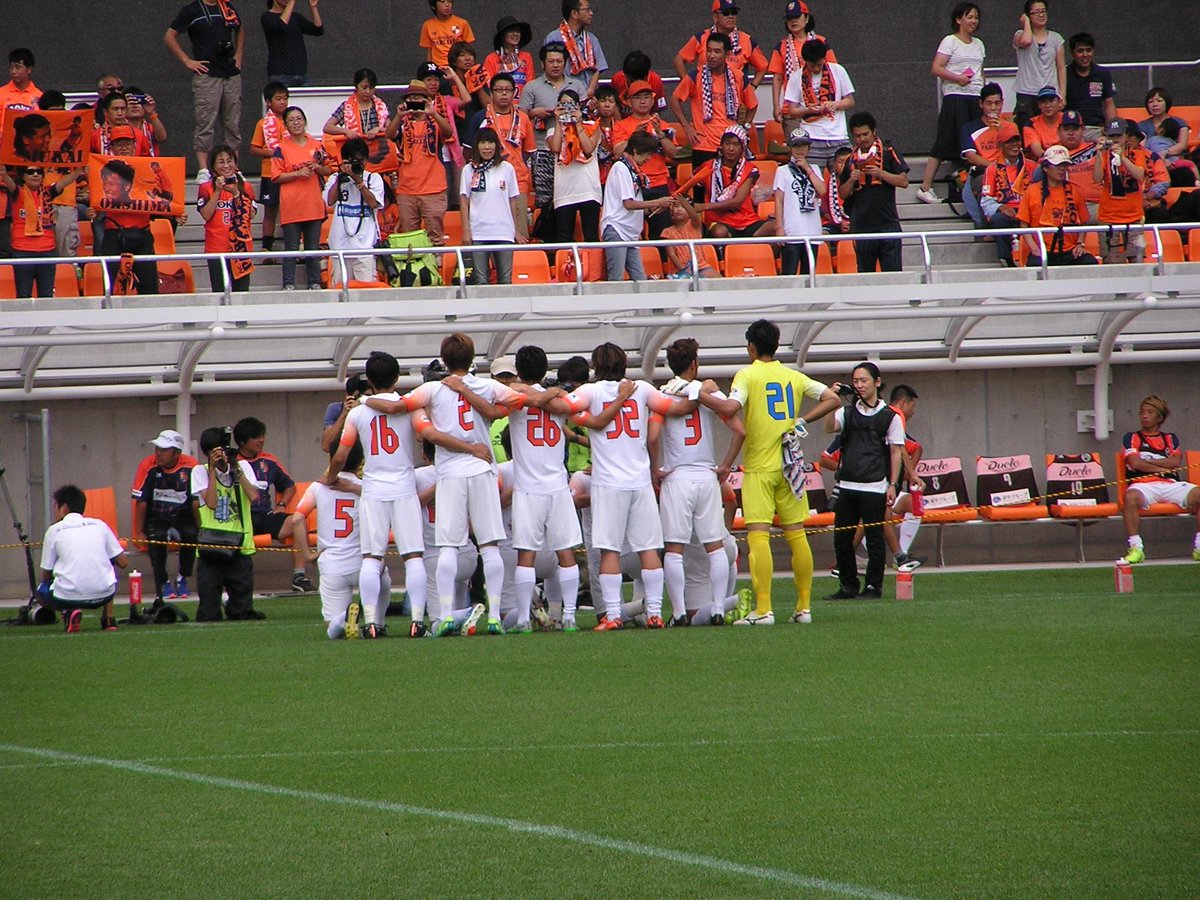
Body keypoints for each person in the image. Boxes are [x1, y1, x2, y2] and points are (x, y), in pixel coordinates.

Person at [366, 334, 526, 635]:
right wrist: (484, 405)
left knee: (448, 547)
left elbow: (396, 408)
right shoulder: (488, 386)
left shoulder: (432, 389)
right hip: (482, 469)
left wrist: (366, 400)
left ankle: (445, 614)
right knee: (490, 545)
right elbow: (516, 402)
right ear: (472, 357)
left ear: (444, 358)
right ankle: (494, 616)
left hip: (450, 473)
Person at [324, 350, 483, 638]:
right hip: (404, 488)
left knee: (371, 558)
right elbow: (426, 435)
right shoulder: (411, 407)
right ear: (397, 377)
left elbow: (340, 455)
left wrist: (331, 477)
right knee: (413, 557)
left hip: (373, 489)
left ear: (369, 380)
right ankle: (418, 622)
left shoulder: (358, 413)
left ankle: (372, 622)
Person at [702, 319, 840, 624]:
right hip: (790, 465)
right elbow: (832, 399)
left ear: (751, 347)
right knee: (797, 534)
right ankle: (803, 608)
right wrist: (802, 421)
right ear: (776, 345)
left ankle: (764, 609)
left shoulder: (748, 374)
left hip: (760, 467)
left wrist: (701, 393)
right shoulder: (792, 376)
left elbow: (730, 408)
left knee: (758, 537)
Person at [560, 343, 697, 629]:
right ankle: (655, 612)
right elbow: (679, 407)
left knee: (609, 550)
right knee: (648, 549)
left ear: (596, 366)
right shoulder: (642, 389)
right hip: (640, 480)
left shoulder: (591, 392)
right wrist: (699, 390)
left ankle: (612, 616)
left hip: (608, 482)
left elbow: (565, 407)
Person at [648, 338, 745, 624]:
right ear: (694, 363)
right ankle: (718, 608)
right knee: (714, 546)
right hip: (706, 475)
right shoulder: (707, 392)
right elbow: (740, 431)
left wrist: (655, 469)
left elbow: (652, 438)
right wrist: (725, 465)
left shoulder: (662, 395)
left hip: (676, 477)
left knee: (674, 550)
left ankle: (679, 613)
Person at [822, 362, 904, 600]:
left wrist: (893, 484)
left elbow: (896, 452)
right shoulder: (846, 412)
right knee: (842, 539)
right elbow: (829, 427)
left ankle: (873, 586)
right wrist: (830, 401)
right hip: (847, 485)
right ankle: (848, 585)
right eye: (856, 381)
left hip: (875, 485)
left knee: (875, 539)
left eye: (864, 380)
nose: (859, 385)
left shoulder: (890, 417)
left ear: (877, 382)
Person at [290, 445, 379, 639]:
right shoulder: (367, 488)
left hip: (331, 563)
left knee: (332, 630)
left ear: (331, 458)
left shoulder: (318, 487)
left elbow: (297, 519)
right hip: (363, 562)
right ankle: (376, 624)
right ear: (361, 461)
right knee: (384, 578)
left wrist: (307, 555)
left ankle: (342, 620)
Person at [164, 0, 244, 184]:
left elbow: (240, 28)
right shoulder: (191, 10)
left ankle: (234, 168)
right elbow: (169, 36)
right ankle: (203, 169)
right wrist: (187, 60)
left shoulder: (226, 6)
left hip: (230, 73)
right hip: (207, 74)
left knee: (233, 123)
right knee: (205, 122)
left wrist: (239, 54)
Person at [191, 426, 264, 622]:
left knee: (242, 612)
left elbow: (254, 496)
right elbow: (212, 503)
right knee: (208, 614)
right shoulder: (200, 471)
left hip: (240, 544)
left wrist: (235, 468)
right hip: (211, 545)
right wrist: (212, 470)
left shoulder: (242, 466)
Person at [232, 415, 313, 592]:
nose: (261, 440)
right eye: (256, 437)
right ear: (242, 441)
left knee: (298, 521)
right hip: (239, 519)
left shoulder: (268, 460)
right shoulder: (231, 462)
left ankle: (299, 576)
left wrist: (281, 504)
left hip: (265, 515)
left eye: (262, 436)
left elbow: (289, 486)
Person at [916, 2, 984, 205]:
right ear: (958, 19)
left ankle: (971, 188)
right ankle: (925, 187)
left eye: (976, 17)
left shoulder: (979, 44)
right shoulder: (950, 41)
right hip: (955, 97)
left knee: (974, 143)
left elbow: (981, 72)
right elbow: (936, 67)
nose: (973, 21)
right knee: (945, 140)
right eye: (969, 17)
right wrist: (957, 78)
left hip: (975, 97)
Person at [36, 485, 128, 633]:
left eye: (55, 506)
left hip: (68, 595)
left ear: (64, 508)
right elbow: (123, 562)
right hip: (104, 594)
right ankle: (108, 619)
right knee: (109, 562)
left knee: (42, 590)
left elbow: (46, 574)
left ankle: (68, 611)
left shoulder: (54, 531)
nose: (54, 511)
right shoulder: (100, 525)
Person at [1120, 395, 1200, 565]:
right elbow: (1135, 463)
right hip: (1143, 486)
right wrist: (1163, 468)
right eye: (1142, 412)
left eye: (1150, 412)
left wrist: (1147, 462)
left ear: (1160, 417)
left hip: (1171, 485)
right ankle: (1136, 549)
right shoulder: (1132, 437)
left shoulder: (1170, 438)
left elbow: (1175, 462)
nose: (1144, 416)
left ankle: (1199, 547)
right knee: (1130, 497)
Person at [669, 32, 757, 171]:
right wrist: (687, 128)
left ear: (727, 54)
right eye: (709, 50)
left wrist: (744, 128)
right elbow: (674, 100)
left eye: (717, 51)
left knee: (731, 184)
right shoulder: (696, 75)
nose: (711, 55)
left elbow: (752, 105)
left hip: (729, 146)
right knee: (702, 184)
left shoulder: (738, 77)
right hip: (703, 145)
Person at [465, 73, 536, 242]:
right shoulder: (480, 118)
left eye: (508, 90)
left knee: (519, 234)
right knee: (491, 233)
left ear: (514, 92)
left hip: (517, 181)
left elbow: (528, 151)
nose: (504, 94)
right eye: (499, 90)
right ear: (491, 92)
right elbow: (468, 152)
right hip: (487, 183)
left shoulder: (523, 118)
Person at [132, 430, 199, 605]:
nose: (159, 453)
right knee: (157, 538)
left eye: (164, 449)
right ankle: (163, 582)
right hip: (157, 516)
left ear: (177, 453)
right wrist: (139, 531)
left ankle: (183, 577)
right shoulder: (148, 465)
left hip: (183, 515)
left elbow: (196, 501)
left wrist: (202, 528)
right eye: (157, 448)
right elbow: (141, 501)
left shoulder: (191, 465)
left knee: (191, 534)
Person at [673, 124, 771, 242]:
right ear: (721, 146)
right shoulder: (708, 166)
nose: (731, 148)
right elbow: (688, 185)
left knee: (774, 227)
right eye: (727, 143)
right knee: (719, 232)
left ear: (742, 148)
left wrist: (704, 206)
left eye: (735, 144)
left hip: (747, 220)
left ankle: (759, 250)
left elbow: (737, 202)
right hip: (719, 221)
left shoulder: (750, 169)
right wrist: (682, 197)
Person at [840, 111, 910, 272]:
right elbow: (842, 194)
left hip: (888, 223)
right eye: (857, 136)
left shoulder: (888, 151)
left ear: (874, 132)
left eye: (865, 134)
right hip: (862, 226)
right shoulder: (849, 159)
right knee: (866, 275)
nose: (862, 139)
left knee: (893, 275)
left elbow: (904, 181)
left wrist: (881, 173)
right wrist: (851, 179)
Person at [387, 79, 452, 246]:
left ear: (426, 100)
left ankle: (436, 262)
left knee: (435, 236)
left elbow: (449, 132)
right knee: (410, 237)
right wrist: (398, 116)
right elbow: (389, 135)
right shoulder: (403, 123)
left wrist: (433, 113)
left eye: (418, 98)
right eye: (410, 98)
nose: (414, 102)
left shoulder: (434, 122)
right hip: (407, 189)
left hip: (433, 188)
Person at [601, 129, 672, 282]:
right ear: (635, 150)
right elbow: (628, 204)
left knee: (640, 279)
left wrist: (653, 209)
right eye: (646, 153)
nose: (648, 158)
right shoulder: (621, 168)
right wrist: (657, 202)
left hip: (631, 234)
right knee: (616, 278)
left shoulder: (633, 171)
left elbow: (635, 206)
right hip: (617, 230)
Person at [1093, 119, 1166, 264]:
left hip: (1134, 217)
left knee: (1136, 260)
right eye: (1112, 136)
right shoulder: (1104, 155)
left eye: (1119, 135)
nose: (1115, 139)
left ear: (1126, 136)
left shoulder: (1137, 154)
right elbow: (1097, 178)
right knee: (1112, 262)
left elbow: (1139, 175)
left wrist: (1122, 158)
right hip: (1109, 217)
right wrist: (1099, 154)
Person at [0, 165, 80, 297]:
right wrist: (4, 175)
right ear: (23, 176)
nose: (35, 175)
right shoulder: (18, 193)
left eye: (39, 172)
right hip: (22, 251)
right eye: (30, 172)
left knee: (46, 296)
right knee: (23, 296)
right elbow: (10, 184)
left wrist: (78, 172)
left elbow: (63, 183)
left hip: (47, 251)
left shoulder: (48, 193)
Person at [611, 80, 677, 240]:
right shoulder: (621, 125)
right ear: (629, 101)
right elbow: (617, 153)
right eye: (637, 97)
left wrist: (660, 133)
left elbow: (673, 153)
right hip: (633, 185)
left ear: (653, 100)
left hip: (659, 183)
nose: (642, 101)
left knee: (662, 234)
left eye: (647, 97)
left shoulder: (663, 124)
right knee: (632, 232)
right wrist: (633, 135)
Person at [274, 105, 330, 290]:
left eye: (299, 119)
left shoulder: (316, 144)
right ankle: (288, 284)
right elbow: (276, 176)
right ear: (285, 125)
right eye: (291, 120)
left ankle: (314, 282)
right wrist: (298, 173)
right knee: (291, 247)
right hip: (291, 204)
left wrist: (317, 168)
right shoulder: (281, 148)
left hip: (313, 203)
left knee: (312, 247)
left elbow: (328, 169)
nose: (296, 123)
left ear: (305, 121)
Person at [779, 38, 854, 173]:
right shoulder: (796, 77)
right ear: (805, 61)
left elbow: (850, 101)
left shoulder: (838, 71)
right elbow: (792, 111)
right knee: (812, 178)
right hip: (812, 137)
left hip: (838, 136)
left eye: (819, 64)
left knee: (845, 176)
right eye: (812, 65)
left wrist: (835, 104)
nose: (816, 68)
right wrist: (808, 110)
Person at [459, 126, 521, 284]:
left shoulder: (507, 168)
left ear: (496, 145)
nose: (487, 147)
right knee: (481, 280)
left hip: (504, 232)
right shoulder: (468, 170)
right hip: (479, 232)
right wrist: (466, 231)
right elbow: (464, 201)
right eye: (482, 143)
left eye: (490, 142)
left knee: (505, 279)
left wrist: (516, 230)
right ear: (476, 146)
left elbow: (512, 200)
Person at [1017, 144, 1095, 267]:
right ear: (1045, 168)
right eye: (1058, 165)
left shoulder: (1074, 190)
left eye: (1065, 165)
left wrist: (1080, 244)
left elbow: (1083, 222)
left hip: (1070, 251)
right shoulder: (1032, 191)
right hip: (1043, 250)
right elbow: (1024, 225)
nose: (1062, 169)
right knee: (1035, 266)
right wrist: (1034, 248)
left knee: (1089, 262)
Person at [769, 0, 837, 135]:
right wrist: (776, 105)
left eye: (797, 17)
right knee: (797, 145)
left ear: (806, 19)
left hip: (820, 107)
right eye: (790, 18)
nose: (793, 21)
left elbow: (834, 71)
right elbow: (777, 78)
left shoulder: (821, 42)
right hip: (793, 110)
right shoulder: (781, 46)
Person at [197, 144, 257, 292]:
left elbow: (251, 214)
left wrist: (236, 193)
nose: (226, 165)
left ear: (235, 163)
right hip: (216, 247)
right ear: (213, 166)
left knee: (241, 293)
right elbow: (206, 215)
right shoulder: (205, 187)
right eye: (221, 162)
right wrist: (217, 192)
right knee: (219, 292)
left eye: (229, 161)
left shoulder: (246, 186)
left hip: (240, 248)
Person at [96, 157, 160, 295]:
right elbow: (94, 213)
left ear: (126, 186)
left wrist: (176, 215)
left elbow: (166, 207)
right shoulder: (99, 197)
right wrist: (92, 213)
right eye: (104, 183)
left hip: (142, 236)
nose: (107, 188)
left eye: (112, 184)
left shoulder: (146, 188)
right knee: (112, 287)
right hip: (112, 237)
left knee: (149, 289)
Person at [325, 136, 384, 283]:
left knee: (365, 290)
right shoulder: (336, 178)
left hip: (365, 247)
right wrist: (341, 178)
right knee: (340, 289)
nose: (356, 164)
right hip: (340, 246)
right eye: (352, 161)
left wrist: (358, 181)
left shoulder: (373, 178)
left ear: (366, 160)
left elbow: (373, 203)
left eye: (359, 160)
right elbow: (329, 201)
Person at [547, 89, 602, 244]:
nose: (568, 108)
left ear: (578, 106)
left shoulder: (592, 126)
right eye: (563, 104)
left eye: (571, 105)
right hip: (564, 191)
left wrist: (578, 123)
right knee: (564, 237)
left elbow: (588, 148)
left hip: (588, 189)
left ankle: (593, 262)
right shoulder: (553, 130)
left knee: (591, 236)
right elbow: (556, 148)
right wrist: (558, 121)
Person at [673, 0, 769, 88]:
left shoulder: (747, 40)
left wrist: (752, 87)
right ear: (715, 17)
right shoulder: (702, 37)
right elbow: (678, 60)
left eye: (734, 12)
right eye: (726, 13)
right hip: (705, 95)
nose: (731, 16)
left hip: (736, 97)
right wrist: (689, 85)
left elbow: (763, 66)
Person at [772, 127, 825, 275]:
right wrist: (779, 228)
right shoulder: (782, 171)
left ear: (809, 147)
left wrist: (807, 169)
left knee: (809, 274)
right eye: (796, 145)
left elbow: (822, 190)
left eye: (803, 145)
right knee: (789, 273)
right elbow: (779, 201)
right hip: (792, 230)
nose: (799, 149)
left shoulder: (815, 169)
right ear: (790, 148)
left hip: (813, 231)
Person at [980, 123, 1035, 266]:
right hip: (1007, 213)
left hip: (1030, 211)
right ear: (1000, 145)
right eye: (1009, 141)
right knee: (998, 219)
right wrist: (1001, 207)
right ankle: (1007, 260)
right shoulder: (992, 169)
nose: (1014, 144)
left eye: (1016, 140)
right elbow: (985, 201)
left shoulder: (1032, 166)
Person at [518, 42, 587, 151]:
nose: (555, 65)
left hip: (573, 146)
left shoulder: (576, 85)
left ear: (565, 63)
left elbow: (585, 113)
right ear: (543, 64)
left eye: (559, 61)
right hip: (542, 146)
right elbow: (520, 118)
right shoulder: (532, 86)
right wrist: (533, 113)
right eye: (551, 61)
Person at [959, 83, 1009, 227]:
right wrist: (994, 167)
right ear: (981, 104)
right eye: (989, 103)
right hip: (983, 171)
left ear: (1002, 103)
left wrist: (1002, 131)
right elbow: (971, 156)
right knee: (984, 182)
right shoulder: (970, 128)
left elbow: (1016, 151)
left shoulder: (1010, 126)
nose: (993, 108)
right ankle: (986, 228)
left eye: (997, 103)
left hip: (1009, 170)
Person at [1011, 0, 1065, 130]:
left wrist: (1062, 94)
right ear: (1028, 15)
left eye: (1043, 11)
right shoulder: (1019, 35)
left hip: (1050, 93)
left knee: (1050, 131)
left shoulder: (1056, 38)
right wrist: (1026, 23)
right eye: (1036, 12)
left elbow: (1061, 68)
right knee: (1026, 130)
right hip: (1027, 93)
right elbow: (1027, 41)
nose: (1041, 15)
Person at [250, 81, 289, 258]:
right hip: (270, 173)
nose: (283, 102)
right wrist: (273, 152)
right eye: (278, 98)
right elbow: (254, 149)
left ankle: (294, 247)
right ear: (268, 102)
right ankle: (267, 248)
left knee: (291, 210)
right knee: (270, 211)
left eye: (285, 98)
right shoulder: (262, 123)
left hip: (289, 172)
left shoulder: (292, 120)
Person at [544, 0, 607, 99]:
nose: (591, 13)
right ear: (574, 13)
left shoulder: (592, 39)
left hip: (588, 96)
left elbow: (598, 69)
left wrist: (590, 91)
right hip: (561, 96)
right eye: (587, 9)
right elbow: (549, 69)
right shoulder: (554, 37)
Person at [1064, 33, 1116, 143]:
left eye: (1088, 50)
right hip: (1072, 129)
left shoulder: (1103, 73)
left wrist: (1112, 129)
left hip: (1097, 129)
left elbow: (1109, 104)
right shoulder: (1064, 74)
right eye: (1080, 51)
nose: (1085, 55)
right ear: (1072, 53)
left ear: (1093, 51)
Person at [261, 0, 323, 87]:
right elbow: (281, 26)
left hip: (301, 73)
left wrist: (313, 8)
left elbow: (318, 30)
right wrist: (292, 2)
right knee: (281, 95)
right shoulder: (267, 17)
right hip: (280, 74)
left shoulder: (295, 17)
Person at [661, 196, 718, 278]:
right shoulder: (667, 232)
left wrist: (686, 204)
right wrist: (684, 270)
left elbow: (694, 216)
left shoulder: (694, 225)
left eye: (683, 207)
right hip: (679, 269)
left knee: (718, 280)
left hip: (701, 266)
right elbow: (671, 254)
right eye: (676, 206)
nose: (679, 209)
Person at [483, 16, 535, 102]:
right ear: (502, 35)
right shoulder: (491, 59)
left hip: (523, 107)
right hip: (500, 106)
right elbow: (489, 87)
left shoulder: (526, 57)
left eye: (517, 31)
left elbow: (530, 85)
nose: (516, 34)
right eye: (511, 31)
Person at [420, 0, 475, 68]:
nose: (447, 5)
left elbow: (469, 49)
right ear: (433, 6)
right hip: (438, 67)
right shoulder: (427, 25)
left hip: (457, 66)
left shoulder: (462, 23)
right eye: (442, 1)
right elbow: (429, 50)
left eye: (449, 1)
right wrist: (430, 67)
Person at [124, 87, 168, 157]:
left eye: (139, 102)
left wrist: (151, 113)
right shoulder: (118, 127)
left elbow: (162, 138)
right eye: (131, 102)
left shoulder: (150, 128)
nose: (135, 106)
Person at [1023, 85, 1063, 160]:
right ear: (1039, 105)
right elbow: (1038, 152)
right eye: (1043, 102)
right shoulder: (1030, 124)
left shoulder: (1067, 119)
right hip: (1044, 161)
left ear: (1059, 102)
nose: (1047, 105)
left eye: (1051, 101)